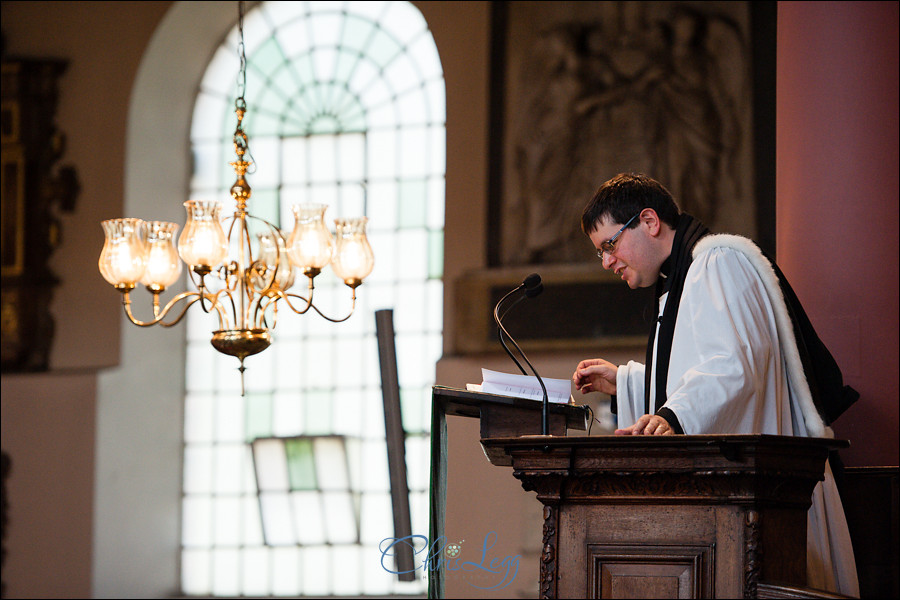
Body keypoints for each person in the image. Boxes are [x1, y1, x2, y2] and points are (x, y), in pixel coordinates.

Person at [571, 173, 859, 596]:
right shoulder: (680, 280)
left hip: (768, 495)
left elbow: (736, 364)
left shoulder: (717, 261)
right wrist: (628, 382)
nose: (606, 262)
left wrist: (671, 415)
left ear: (648, 221)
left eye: (609, 245)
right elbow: (701, 365)